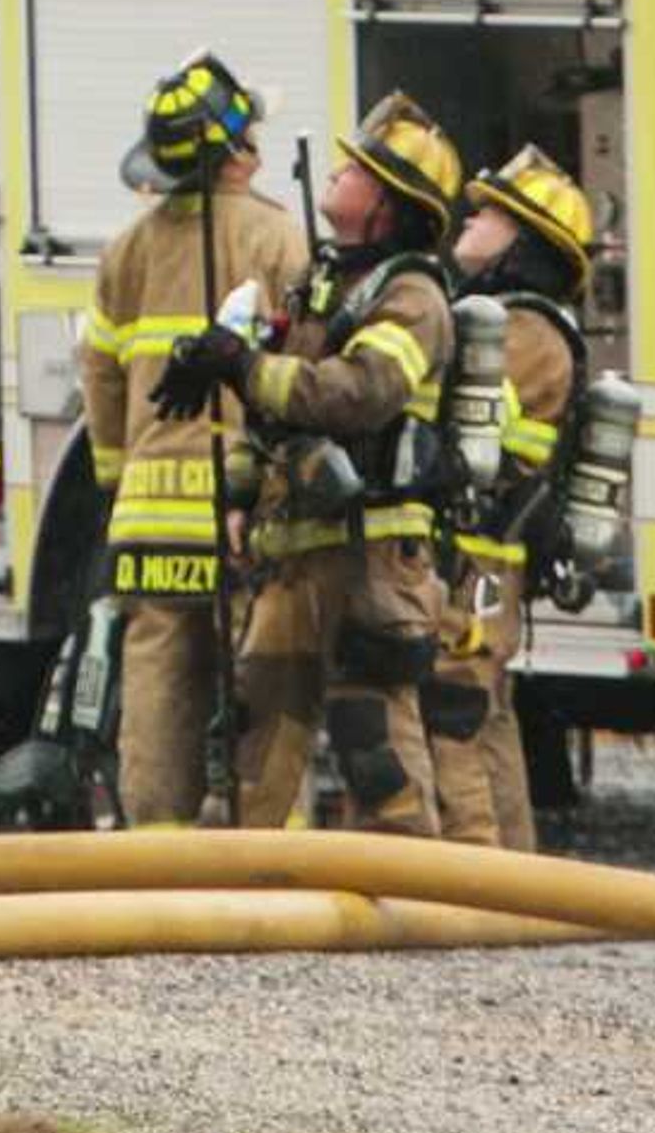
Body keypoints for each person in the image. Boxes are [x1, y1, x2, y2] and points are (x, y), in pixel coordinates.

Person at [160, 94, 467, 834]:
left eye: (357, 169)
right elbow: (273, 413)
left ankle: (411, 906)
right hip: (293, 551)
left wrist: (247, 364)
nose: (338, 173)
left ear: (388, 205)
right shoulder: (321, 284)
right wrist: (237, 490)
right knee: (249, 743)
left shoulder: (413, 296)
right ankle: (235, 906)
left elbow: (358, 394)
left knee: (374, 744)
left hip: (370, 559)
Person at [75, 54, 309, 826]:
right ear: (236, 153)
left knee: (158, 703)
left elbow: (103, 384)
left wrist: (120, 482)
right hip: (246, 512)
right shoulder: (280, 240)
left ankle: (158, 865)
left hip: (148, 519)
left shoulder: (126, 249)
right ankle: (265, 863)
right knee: (263, 699)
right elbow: (303, 376)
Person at [427, 145, 601, 851]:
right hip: (481, 562)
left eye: (492, 211)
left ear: (526, 239)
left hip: (479, 561)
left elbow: (459, 424)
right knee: (487, 712)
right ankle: (513, 879)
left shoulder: (528, 333)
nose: (472, 214)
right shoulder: (513, 320)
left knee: (453, 705)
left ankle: (475, 880)